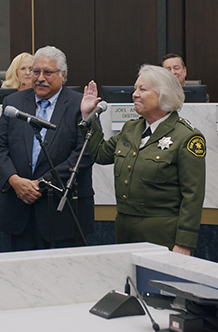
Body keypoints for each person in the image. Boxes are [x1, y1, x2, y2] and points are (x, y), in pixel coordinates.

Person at [80, 64, 206, 255]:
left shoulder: (186, 137)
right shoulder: (131, 128)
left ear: (164, 94)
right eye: (135, 89)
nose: (135, 94)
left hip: (162, 234)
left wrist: (184, 242)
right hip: (125, 230)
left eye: (143, 89)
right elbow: (100, 153)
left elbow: (193, 196)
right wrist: (89, 115)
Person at [0, 45, 95, 251]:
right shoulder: (13, 102)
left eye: (48, 72)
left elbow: (85, 153)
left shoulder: (79, 105)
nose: (39, 78)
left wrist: (40, 183)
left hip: (62, 212)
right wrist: (15, 181)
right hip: (18, 210)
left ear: (63, 75)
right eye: (35, 71)